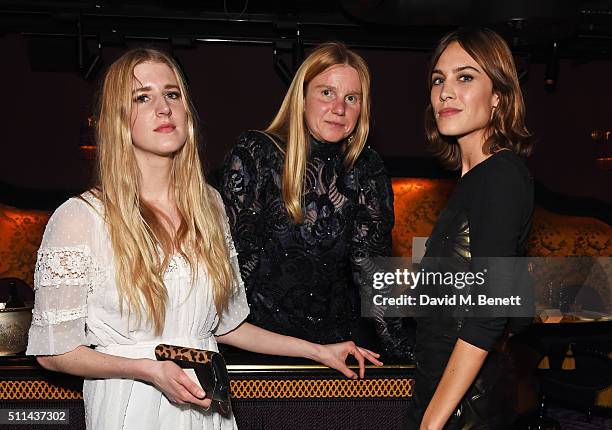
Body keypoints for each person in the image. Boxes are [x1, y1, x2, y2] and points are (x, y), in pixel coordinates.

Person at [25, 48, 382, 430]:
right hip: (132, 405)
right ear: (117, 119)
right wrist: (146, 370)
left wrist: (319, 351)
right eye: (142, 97)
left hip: (206, 406)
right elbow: (53, 352)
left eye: (173, 94)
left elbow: (227, 326)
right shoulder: (80, 217)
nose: (163, 108)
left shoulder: (208, 205)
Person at [220, 42, 402, 352]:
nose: (339, 108)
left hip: (340, 349)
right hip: (261, 349)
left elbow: (370, 266)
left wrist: (401, 349)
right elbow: (236, 264)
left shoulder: (367, 167)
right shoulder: (258, 153)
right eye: (326, 92)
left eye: (351, 98)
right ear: (301, 98)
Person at [412, 28, 535, 429]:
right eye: (438, 79)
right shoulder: (473, 181)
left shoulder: (502, 175)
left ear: (498, 96)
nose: (446, 91)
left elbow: (490, 314)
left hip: (467, 410)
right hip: (444, 395)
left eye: (465, 77)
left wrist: (431, 422)